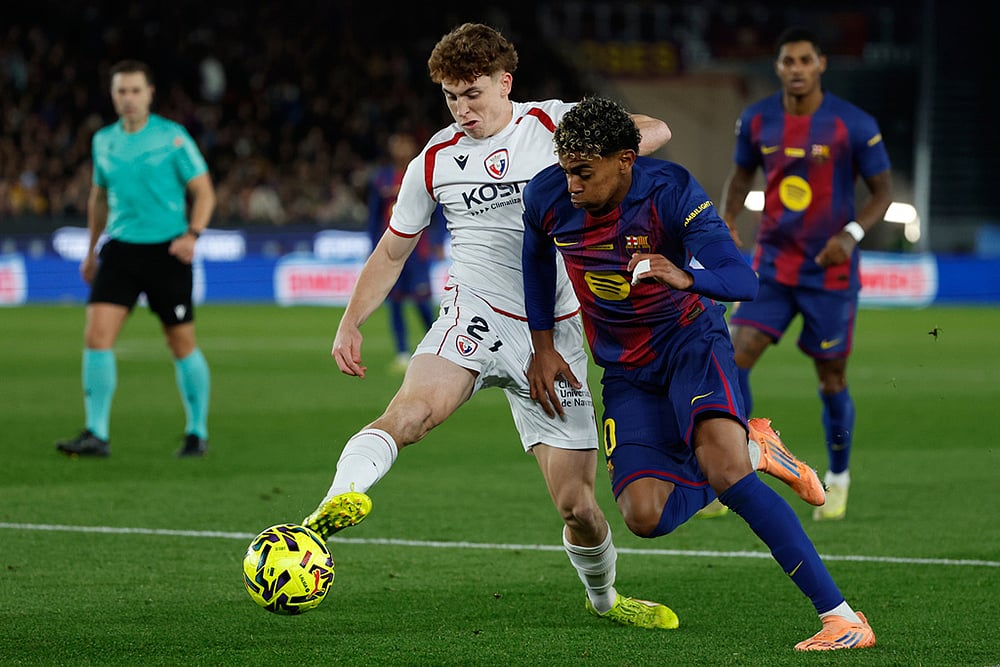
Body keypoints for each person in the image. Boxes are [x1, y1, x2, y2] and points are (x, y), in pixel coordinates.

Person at [300, 22, 678, 629]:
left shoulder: (554, 124)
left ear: (506, 83)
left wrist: (598, 151)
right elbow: (394, 249)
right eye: (451, 97)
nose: (462, 109)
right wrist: (351, 321)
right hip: (475, 313)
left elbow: (658, 129)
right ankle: (325, 513)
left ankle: (606, 599)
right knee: (410, 414)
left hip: (554, 334)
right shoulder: (435, 160)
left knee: (578, 507)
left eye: (472, 94)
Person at [521, 95, 875, 651]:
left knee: (726, 474)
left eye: (583, 172)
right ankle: (757, 450)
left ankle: (842, 618)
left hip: (692, 342)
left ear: (625, 160)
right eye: (566, 170)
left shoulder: (671, 192)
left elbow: (742, 279)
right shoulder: (546, 195)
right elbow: (536, 261)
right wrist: (542, 346)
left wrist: (686, 275)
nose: (571, 185)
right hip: (625, 368)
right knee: (644, 516)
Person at [720, 26, 893, 521]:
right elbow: (741, 175)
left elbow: (882, 193)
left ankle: (838, 477)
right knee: (732, 356)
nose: (796, 69)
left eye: (804, 60)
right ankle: (736, 466)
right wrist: (727, 219)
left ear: (820, 65)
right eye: (787, 61)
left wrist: (851, 235)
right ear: (777, 67)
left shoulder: (852, 124)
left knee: (832, 378)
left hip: (829, 272)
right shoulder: (757, 120)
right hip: (774, 265)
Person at [56, 59, 216, 459]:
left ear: (149, 94)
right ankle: (97, 433)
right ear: (113, 96)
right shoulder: (103, 141)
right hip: (121, 251)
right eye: (121, 91)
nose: (128, 98)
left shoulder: (172, 137)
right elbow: (98, 199)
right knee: (96, 337)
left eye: (135, 91)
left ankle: (197, 432)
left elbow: (204, 191)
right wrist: (91, 251)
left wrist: (192, 235)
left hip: (167, 252)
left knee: (181, 343)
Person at [366, 131, 444, 372]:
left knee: (422, 303)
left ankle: (439, 349)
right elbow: (373, 217)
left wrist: (438, 241)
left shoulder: (422, 174)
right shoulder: (381, 179)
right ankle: (401, 353)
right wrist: (373, 249)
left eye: (404, 143)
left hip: (418, 251)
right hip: (392, 251)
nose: (401, 148)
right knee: (396, 303)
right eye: (397, 144)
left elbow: (439, 211)